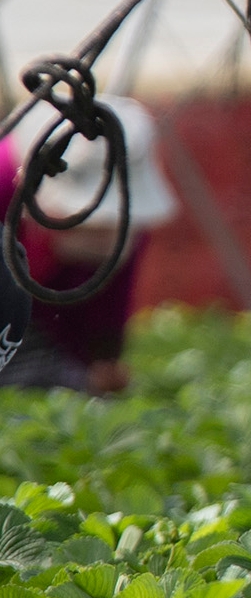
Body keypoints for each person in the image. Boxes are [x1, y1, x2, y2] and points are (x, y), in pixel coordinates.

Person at [0, 98, 181, 394]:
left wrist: (102, 362)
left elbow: (111, 294)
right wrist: (44, 251)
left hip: (54, 341)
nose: (99, 230)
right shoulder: (3, 185)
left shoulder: (127, 219)